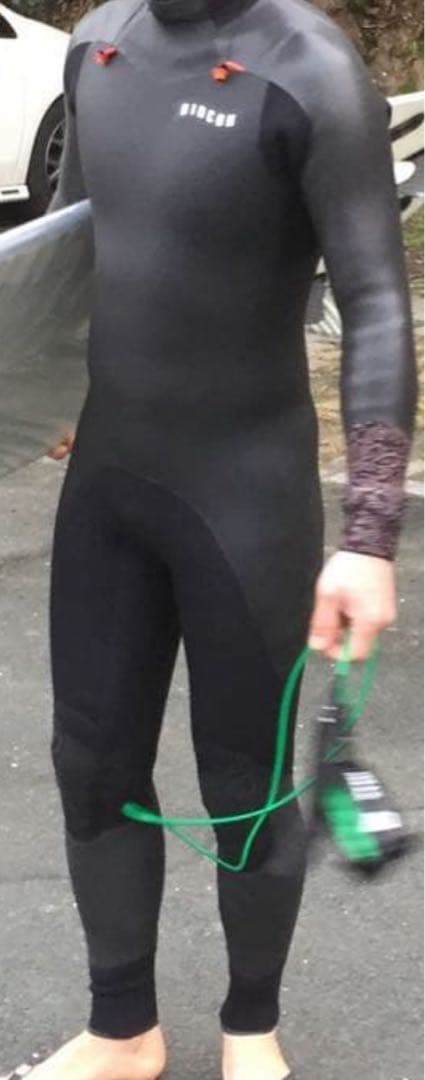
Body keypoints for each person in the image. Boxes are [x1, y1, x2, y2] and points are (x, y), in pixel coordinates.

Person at [23, 0, 417, 1076]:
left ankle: (251, 1034)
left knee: (245, 782)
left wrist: (369, 534)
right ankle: (121, 1032)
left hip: (244, 493)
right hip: (108, 481)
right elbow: (67, 242)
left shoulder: (309, 71)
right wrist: (32, 393)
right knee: (89, 760)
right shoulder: (98, 44)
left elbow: (376, 305)